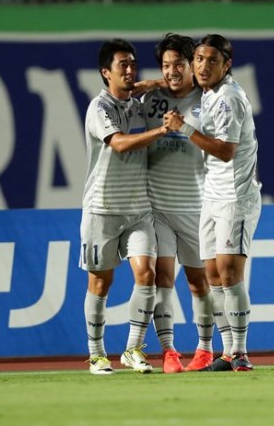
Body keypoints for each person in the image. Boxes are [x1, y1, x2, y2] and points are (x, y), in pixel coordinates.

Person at [164, 34, 262, 372]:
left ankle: (241, 353)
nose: (203, 66)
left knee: (230, 273)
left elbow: (225, 150)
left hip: (235, 197)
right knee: (212, 275)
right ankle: (228, 351)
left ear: (227, 64)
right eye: (199, 59)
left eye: (212, 60)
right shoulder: (209, 93)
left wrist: (183, 128)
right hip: (212, 196)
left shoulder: (229, 98)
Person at [80, 38, 168, 375]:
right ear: (106, 72)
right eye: (123, 65)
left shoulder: (139, 104)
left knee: (147, 275)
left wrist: (151, 83)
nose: (130, 70)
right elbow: (118, 144)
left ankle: (133, 349)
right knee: (100, 284)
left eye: (133, 64)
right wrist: (162, 130)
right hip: (102, 208)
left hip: (139, 209)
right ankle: (97, 354)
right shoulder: (99, 108)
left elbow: (166, 84)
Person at [142, 33, 215, 373]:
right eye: (165, 66)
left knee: (199, 282)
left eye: (178, 65)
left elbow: (221, 144)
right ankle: (168, 351)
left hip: (196, 206)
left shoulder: (209, 99)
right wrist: (154, 83)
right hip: (157, 206)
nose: (171, 71)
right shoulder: (151, 99)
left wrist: (183, 127)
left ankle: (205, 349)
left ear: (192, 65)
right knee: (163, 279)